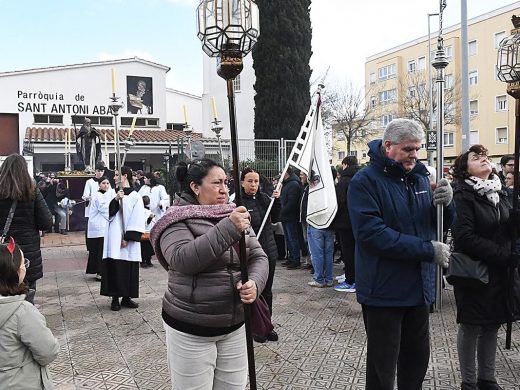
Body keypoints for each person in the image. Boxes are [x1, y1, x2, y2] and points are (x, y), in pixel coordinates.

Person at [348, 119, 455, 389]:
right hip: (384, 291)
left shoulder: (419, 177)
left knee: (416, 362)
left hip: (418, 288)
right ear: (388, 146)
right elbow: (372, 234)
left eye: (417, 149)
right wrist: (427, 250)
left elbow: (433, 222)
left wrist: (448, 205)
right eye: (408, 149)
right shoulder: (365, 181)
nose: (414, 155)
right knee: (382, 369)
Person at [149, 159, 268, 390]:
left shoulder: (233, 213)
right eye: (217, 183)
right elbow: (182, 259)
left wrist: (254, 283)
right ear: (195, 186)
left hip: (235, 324)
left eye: (226, 182)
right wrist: (228, 228)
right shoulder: (176, 219)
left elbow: (258, 256)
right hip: (192, 327)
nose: (225, 189)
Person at [450, 145, 520, 390]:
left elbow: (504, 230)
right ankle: (468, 382)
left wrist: (514, 223)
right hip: (475, 273)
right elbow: (465, 237)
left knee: (493, 323)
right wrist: (504, 255)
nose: (483, 159)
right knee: (471, 325)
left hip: (500, 273)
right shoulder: (462, 195)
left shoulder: (502, 193)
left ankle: (487, 379)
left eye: (485, 156)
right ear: (464, 167)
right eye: (475, 157)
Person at [0, 238, 60, 389]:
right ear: (14, 272)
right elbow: (48, 351)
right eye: (23, 264)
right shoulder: (22, 312)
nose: (25, 268)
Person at [0, 154, 53, 303]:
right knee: (26, 300)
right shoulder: (32, 190)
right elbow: (46, 222)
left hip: (2, 254)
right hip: (27, 256)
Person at [240, 167, 280, 343]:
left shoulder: (265, 199)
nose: (253, 185)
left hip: (268, 252)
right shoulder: (238, 203)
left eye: (256, 181)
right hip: (251, 255)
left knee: (267, 291)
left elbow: (278, 216)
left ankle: (267, 325)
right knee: (253, 292)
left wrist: (277, 201)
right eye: (250, 181)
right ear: (242, 182)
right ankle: (253, 327)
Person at [101, 166, 145, 311]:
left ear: (124, 176)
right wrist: (115, 200)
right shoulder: (111, 193)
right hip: (114, 235)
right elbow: (105, 211)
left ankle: (127, 297)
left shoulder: (134, 196)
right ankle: (115, 298)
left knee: (129, 266)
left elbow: (137, 217)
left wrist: (128, 237)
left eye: (116, 175)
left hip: (127, 237)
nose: (114, 178)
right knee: (115, 265)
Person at [333, 156, 361, 293]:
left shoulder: (343, 181)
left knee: (348, 252)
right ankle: (353, 277)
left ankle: (351, 281)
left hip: (345, 222)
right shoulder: (361, 177)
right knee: (356, 251)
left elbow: (339, 202)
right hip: (358, 221)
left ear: (345, 165)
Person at [86, 176, 114, 280]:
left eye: (107, 183)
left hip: (104, 226)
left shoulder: (109, 193)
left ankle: (104, 271)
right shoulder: (97, 196)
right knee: (99, 250)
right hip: (99, 227)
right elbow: (104, 209)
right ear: (99, 185)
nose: (106, 185)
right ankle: (100, 272)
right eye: (103, 183)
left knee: (103, 250)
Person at [279, 167, 303, 269]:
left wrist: (282, 212)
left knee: (293, 238)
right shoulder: (288, 183)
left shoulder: (293, 184)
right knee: (288, 238)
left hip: (291, 216)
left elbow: (292, 202)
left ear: (286, 174)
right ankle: (291, 257)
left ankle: (295, 259)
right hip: (286, 216)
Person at [140, 195, 155, 268]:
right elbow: (145, 222)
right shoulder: (142, 211)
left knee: (149, 248)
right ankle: (143, 262)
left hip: (149, 231)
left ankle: (148, 260)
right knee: (144, 248)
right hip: (144, 231)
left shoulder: (148, 210)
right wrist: (150, 218)